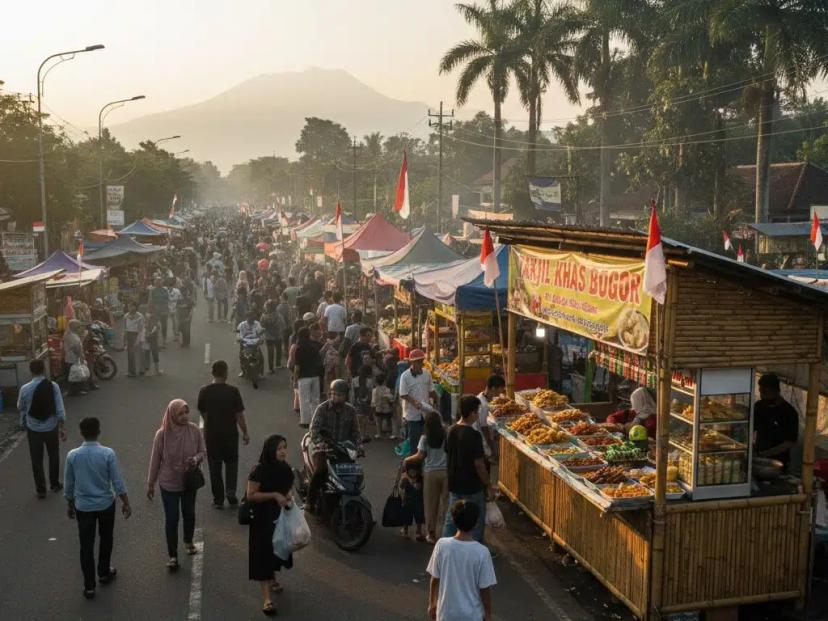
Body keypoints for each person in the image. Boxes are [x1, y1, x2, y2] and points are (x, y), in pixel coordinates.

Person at [64, 417, 131, 599]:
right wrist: (125, 501)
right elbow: (117, 481)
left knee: (86, 545)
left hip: (83, 506)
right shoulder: (107, 454)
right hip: (105, 504)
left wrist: (70, 504)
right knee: (106, 538)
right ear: (99, 431)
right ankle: (103, 572)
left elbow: (69, 485)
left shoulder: (73, 456)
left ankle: (89, 586)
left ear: (81, 433)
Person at [146, 399, 207, 570]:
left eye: (186, 412)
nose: (184, 416)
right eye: (180, 413)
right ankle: (172, 555)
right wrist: (150, 484)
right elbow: (155, 460)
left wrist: (196, 459)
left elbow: (203, 451)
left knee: (189, 514)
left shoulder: (194, 430)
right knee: (172, 519)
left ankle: (188, 541)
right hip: (168, 483)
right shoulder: (162, 435)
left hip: (188, 482)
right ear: (172, 415)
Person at [246, 435, 295, 617]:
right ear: (270, 451)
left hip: (280, 518)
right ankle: (267, 599)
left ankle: (273, 579)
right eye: (279, 448)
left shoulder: (286, 469)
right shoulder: (258, 471)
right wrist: (274, 495)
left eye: (284, 447)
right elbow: (251, 495)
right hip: (262, 519)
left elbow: (289, 486)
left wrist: (288, 494)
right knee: (263, 555)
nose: (283, 451)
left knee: (277, 550)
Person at [427, 500, 496, 621]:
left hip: (446, 614)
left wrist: (432, 602)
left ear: (453, 520)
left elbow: (434, 579)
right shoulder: (482, 552)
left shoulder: (442, 545)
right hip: (472, 616)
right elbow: (484, 590)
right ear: (475, 524)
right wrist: (488, 615)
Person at [197, 360, 250, 509]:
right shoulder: (233, 391)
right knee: (232, 463)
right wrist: (245, 432)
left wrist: (205, 433)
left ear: (212, 373)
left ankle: (218, 499)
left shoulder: (204, 391)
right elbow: (239, 415)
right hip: (230, 435)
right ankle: (231, 491)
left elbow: (203, 413)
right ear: (226, 373)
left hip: (212, 435)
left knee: (215, 466)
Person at [442, 395, 491, 543]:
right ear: (471, 413)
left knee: (451, 518)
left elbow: (447, 454)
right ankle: (475, 548)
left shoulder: (450, 430)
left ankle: (445, 546)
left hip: (454, 483)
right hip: (472, 486)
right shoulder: (473, 435)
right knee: (475, 520)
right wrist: (488, 484)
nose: (478, 415)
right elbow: (479, 465)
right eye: (477, 412)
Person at [307, 379, 361, 510]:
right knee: (320, 471)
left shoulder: (351, 410)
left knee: (354, 473)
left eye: (339, 395)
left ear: (345, 396)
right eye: (333, 394)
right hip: (323, 448)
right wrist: (320, 443)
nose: (335, 397)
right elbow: (314, 430)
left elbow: (356, 433)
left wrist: (359, 447)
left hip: (342, 449)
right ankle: (310, 501)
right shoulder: (322, 409)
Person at [18, 359, 67, 498]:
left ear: (31, 371)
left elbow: (20, 407)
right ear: (44, 370)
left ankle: (41, 490)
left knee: (36, 459)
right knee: (53, 455)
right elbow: (59, 409)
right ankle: (55, 484)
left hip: (33, 428)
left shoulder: (25, 388)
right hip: (51, 426)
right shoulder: (53, 386)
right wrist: (62, 428)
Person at [405, 410, 448, 544]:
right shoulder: (446, 435)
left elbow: (420, 456)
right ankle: (447, 533)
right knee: (446, 504)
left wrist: (407, 459)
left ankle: (431, 534)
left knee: (431, 505)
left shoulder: (425, 438)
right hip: (446, 473)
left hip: (430, 473)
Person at [754, 372, 799, 471]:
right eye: (760, 392)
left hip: (778, 462)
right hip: (758, 457)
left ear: (775, 391)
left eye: (765, 392)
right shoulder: (759, 406)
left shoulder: (789, 412)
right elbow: (752, 428)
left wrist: (768, 453)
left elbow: (790, 442)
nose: (762, 395)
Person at [398, 349, 437, 456]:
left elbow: (431, 390)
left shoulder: (427, 374)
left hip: (426, 413)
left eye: (421, 361)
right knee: (414, 444)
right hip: (412, 415)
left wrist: (435, 402)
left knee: (426, 442)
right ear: (412, 362)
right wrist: (414, 402)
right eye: (418, 361)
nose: (420, 364)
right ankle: (412, 467)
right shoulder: (405, 376)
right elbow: (403, 394)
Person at [294, 327, 322, 428]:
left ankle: (305, 421)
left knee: (304, 399)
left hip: (304, 377)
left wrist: (295, 379)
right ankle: (316, 419)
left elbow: (297, 367)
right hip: (315, 375)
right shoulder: (314, 346)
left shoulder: (299, 348)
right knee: (315, 399)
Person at [476, 375, 506, 463]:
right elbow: (484, 429)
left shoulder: (481, 397)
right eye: (501, 389)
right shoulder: (484, 405)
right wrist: (493, 450)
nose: (501, 392)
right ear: (493, 388)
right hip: (483, 445)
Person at [399, 462, 426, 541]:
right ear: (408, 471)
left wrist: (417, 485)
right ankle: (405, 530)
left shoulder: (420, 479)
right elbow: (401, 486)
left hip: (418, 502)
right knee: (406, 517)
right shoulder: (406, 479)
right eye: (411, 471)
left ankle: (418, 532)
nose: (413, 473)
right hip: (408, 501)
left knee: (419, 517)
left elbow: (421, 488)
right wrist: (403, 480)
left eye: (415, 471)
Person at [351, 364, 375, 442]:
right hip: (366, 402)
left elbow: (352, 393)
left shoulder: (354, 380)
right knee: (365, 419)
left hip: (357, 401)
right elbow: (371, 392)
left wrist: (352, 402)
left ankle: (359, 435)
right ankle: (365, 434)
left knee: (358, 420)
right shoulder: (369, 381)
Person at [63, 319, 87, 396]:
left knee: (72, 375)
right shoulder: (72, 336)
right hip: (73, 358)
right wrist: (81, 357)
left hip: (69, 358)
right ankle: (74, 391)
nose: (79, 328)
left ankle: (73, 391)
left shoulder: (69, 334)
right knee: (75, 375)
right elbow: (76, 349)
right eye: (78, 327)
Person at [237, 309, 264, 377]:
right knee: (241, 356)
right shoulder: (242, 325)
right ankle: (243, 371)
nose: (251, 319)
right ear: (246, 317)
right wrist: (239, 339)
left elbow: (260, 333)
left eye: (252, 317)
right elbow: (238, 333)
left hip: (255, 343)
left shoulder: (257, 324)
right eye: (249, 317)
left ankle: (261, 373)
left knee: (261, 357)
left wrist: (261, 339)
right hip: (245, 343)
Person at [261, 300, 286, 373]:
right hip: (277, 335)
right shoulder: (278, 315)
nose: (265, 308)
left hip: (268, 336)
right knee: (278, 351)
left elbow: (261, 326)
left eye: (266, 307)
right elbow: (283, 324)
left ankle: (271, 368)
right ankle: (278, 364)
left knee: (270, 353)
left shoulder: (263, 316)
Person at [371, 373, 394, 440]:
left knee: (378, 421)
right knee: (388, 421)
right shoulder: (387, 389)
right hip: (387, 408)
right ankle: (390, 434)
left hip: (378, 408)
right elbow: (390, 398)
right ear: (384, 381)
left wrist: (373, 406)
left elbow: (373, 401)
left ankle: (379, 434)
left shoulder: (374, 390)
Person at [124, 302, 144, 377]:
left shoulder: (140, 316)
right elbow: (125, 328)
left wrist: (138, 339)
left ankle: (141, 370)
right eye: (129, 306)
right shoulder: (126, 316)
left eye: (131, 306)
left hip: (136, 335)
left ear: (135, 307)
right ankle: (131, 371)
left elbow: (141, 329)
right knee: (130, 354)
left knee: (139, 353)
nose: (130, 308)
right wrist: (124, 339)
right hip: (129, 335)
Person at [149, 278, 170, 344]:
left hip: (163, 310)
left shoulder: (165, 290)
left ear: (162, 283)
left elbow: (167, 300)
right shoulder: (152, 290)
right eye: (157, 282)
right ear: (155, 283)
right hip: (155, 310)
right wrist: (150, 311)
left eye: (160, 282)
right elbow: (150, 301)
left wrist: (167, 309)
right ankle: (156, 338)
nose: (158, 284)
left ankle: (164, 338)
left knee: (164, 325)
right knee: (155, 325)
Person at [143, 310, 163, 375]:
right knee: (147, 354)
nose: (148, 315)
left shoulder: (155, 319)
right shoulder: (143, 320)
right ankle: (148, 370)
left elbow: (158, 327)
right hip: (146, 339)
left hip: (153, 338)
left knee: (155, 353)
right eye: (147, 313)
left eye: (149, 313)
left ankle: (156, 370)